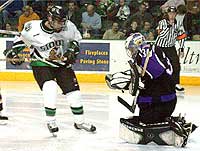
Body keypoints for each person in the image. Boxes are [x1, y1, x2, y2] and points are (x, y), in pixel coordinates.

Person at [3, 5, 96, 135]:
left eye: (63, 21)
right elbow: (18, 44)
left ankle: (79, 122)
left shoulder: (68, 25)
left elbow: (75, 40)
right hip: (41, 64)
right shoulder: (32, 28)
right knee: (50, 87)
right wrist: (12, 54)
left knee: (75, 94)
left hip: (61, 64)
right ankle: (51, 121)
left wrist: (71, 52)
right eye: (59, 21)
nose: (62, 24)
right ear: (50, 18)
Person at [105, 33, 196, 146]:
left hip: (162, 103)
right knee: (143, 112)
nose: (131, 52)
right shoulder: (151, 50)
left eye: (132, 49)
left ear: (138, 46)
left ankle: (172, 127)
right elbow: (147, 77)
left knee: (145, 119)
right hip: (166, 100)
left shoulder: (147, 56)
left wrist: (127, 81)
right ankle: (165, 119)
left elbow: (148, 75)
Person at [155, 6, 186, 92]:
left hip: (171, 47)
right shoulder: (162, 22)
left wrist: (182, 48)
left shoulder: (179, 23)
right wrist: (169, 27)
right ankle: (158, 84)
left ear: (176, 14)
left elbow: (182, 36)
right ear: (167, 14)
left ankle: (176, 83)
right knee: (160, 65)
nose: (172, 15)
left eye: (173, 13)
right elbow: (160, 35)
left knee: (176, 65)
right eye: (170, 13)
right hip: (160, 47)